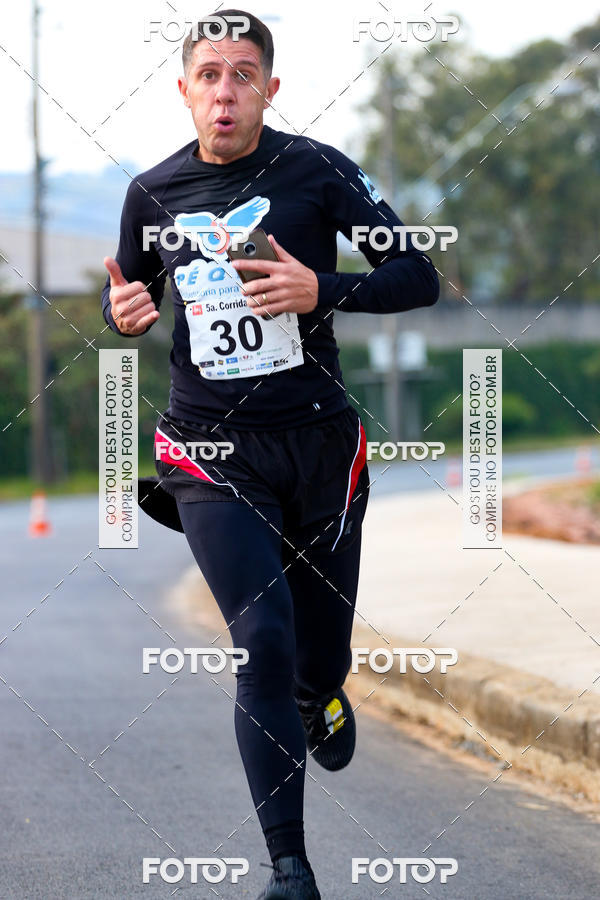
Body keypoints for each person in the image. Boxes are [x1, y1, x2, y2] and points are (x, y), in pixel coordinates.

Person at [101, 9, 439, 898]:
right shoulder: (153, 192)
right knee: (264, 640)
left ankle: (321, 691)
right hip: (210, 451)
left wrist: (320, 287)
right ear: (184, 90)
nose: (226, 92)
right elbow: (129, 293)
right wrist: (121, 314)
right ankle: (290, 868)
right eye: (209, 75)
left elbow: (419, 275)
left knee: (317, 661)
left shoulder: (318, 170)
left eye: (243, 75)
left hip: (321, 446)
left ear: (270, 89)